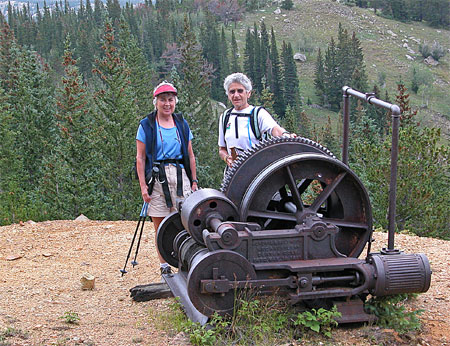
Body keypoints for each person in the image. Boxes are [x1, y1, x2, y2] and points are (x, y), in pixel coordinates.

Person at [136, 81, 198, 275]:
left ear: (175, 101)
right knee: (160, 225)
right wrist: (143, 187)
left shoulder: (181, 123)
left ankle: (185, 262)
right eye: (163, 100)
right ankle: (164, 266)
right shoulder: (146, 125)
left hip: (180, 176)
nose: (167, 104)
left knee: (185, 221)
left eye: (170, 99)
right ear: (156, 102)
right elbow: (140, 157)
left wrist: (194, 181)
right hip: (156, 178)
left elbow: (190, 154)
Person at [218, 72, 296, 168]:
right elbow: (222, 149)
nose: (236, 95)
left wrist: (285, 135)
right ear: (228, 95)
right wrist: (227, 158)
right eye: (232, 92)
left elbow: (274, 129)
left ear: (248, 93)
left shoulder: (258, 113)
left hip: (257, 172)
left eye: (240, 91)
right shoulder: (225, 117)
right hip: (235, 174)